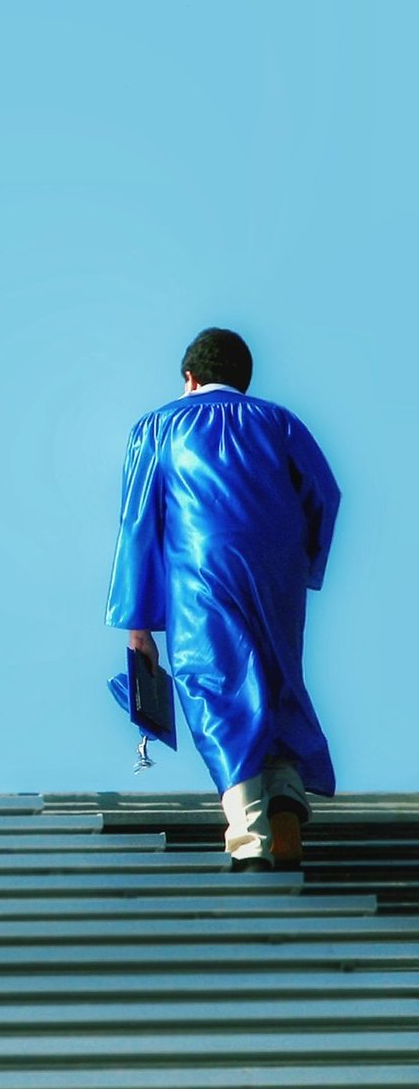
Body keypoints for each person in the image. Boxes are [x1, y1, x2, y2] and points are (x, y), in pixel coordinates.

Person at [105, 327, 341, 867]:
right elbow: (324, 492)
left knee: (214, 681)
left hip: (203, 565)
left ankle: (249, 835)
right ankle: (284, 791)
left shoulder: (160, 425)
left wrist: (138, 627)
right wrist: (304, 561)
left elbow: (139, 522)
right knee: (277, 673)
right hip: (277, 565)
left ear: (190, 378)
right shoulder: (279, 421)